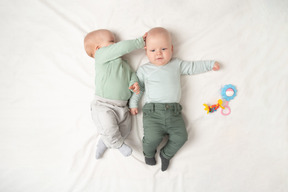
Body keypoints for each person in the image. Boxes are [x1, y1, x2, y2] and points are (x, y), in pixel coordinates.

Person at [129, 27, 220, 171]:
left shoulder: (176, 64)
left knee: (181, 137)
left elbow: (192, 67)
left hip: (174, 113)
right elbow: (138, 90)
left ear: (171, 49)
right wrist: (133, 103)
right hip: (153, 113)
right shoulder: (144, 70)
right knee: (151, 139)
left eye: (163, 49)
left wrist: (210, 65)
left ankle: (166, 154)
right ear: (146, 51)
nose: (158, 53)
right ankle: (148, 154)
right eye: (153, 50)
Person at [84, 29, 145, 159]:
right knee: (109, 125)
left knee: (125, 130)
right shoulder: (101, 56)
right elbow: (121, 48)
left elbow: (132, 74)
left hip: (122, 106)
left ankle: (105, 142)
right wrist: (140, 42)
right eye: (112, 42)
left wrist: (134, 82)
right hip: (103, 105)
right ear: (98, 48)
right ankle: (118, 145)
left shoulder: (124, 64)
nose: (116, 45)